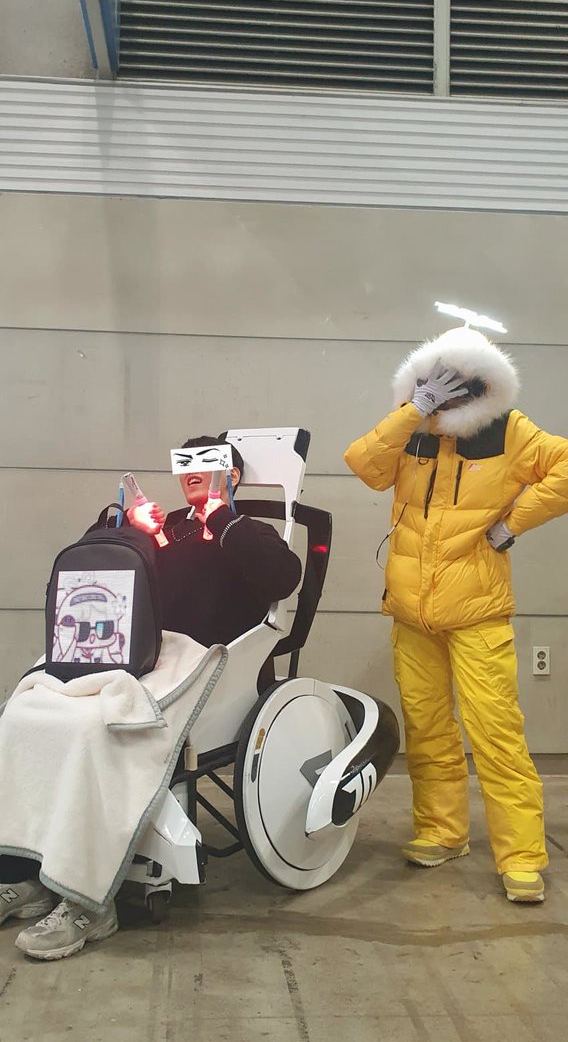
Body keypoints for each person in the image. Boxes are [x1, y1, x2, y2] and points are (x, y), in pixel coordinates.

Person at [0, 435, 302, 958]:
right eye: (185, 465)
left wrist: (221, 519)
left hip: (201, 661)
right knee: (26, 712)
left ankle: (89, 899)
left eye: (207, 464)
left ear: (231, 475)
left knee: (96, 728)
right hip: (136, 654)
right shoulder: (168, 529)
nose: (192, 473)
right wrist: (127, 526)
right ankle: (25, 874)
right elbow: (101, 570)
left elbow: (283, 577)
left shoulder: (248, 531)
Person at [345, 326, 568, 904]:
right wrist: (411, 410)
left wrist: (512, 524)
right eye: (433, 381)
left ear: (484, 384)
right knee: (426, 728)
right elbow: (363, 464)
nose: (448, 394)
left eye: (459, 383)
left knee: (496, 733)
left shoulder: (511, 432)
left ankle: (522, 856)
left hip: (477, 612)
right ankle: (442, 832)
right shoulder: (412, 428)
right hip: (411, 612)